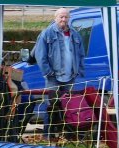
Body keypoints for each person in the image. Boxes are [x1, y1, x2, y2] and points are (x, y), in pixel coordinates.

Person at [35, 7, 85, 141]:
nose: (63, 19)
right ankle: (48, 134)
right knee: (51, 106)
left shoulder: (75, 34)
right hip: (53, 77)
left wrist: (79, 70)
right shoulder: (47, 34)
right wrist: (48, 72)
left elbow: (81, 54)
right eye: (61, 17)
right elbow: (41, 56)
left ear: (69, 18)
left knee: (68, 106)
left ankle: (68, 134)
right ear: (55, 18)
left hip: (70, 77)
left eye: (66, 17)